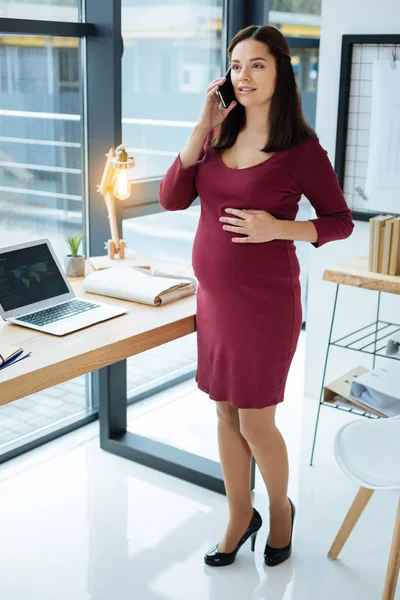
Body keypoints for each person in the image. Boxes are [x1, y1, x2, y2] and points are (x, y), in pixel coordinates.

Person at [158, 24, 354, 568]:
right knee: (224, 412)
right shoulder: (217, 136)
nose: (244, 76)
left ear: (281, 71)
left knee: (255, 420)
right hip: (215, 304)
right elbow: (172, 197)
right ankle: (239, 516)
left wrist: (279, 229)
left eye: (257, 65)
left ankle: (280, 511)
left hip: (266, 306)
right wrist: (202, 125)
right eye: (236, 66)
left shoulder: (300, 149)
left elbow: (340, 222)